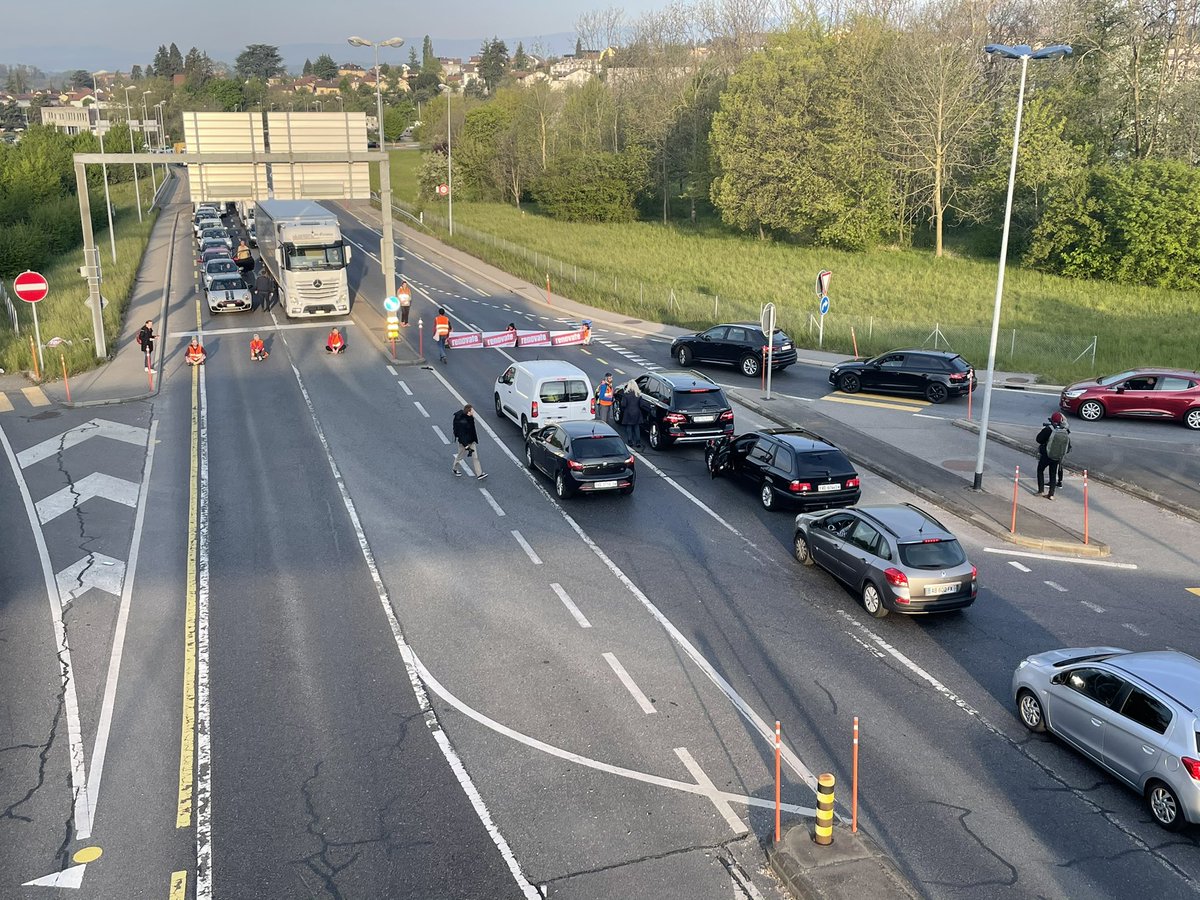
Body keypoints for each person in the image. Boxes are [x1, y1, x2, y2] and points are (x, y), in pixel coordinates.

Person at [1036, 411, 1071, 499]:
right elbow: (1068, 445)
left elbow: (1039, 439)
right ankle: (1051, 494)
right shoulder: (1065, 430)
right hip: (1057, 456)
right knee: (1053, 473)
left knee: (1040, 470)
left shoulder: (1049, 429)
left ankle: (1040, 490)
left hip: (1046, 455)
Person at [451, 404, 488, 480]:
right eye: (472, 410)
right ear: (468, 412)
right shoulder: (462, 422)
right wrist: (466, 446)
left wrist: (474, 439)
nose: (473, 411)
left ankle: (479, 474)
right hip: (464, 443)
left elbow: (472, 431)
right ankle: (455, 468)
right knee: (460, 456)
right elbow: (461, 436)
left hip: (471, 441)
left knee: (475, 457)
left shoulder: (470, 418)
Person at [619, 378, 644, 449]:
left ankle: (630, 441)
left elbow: (623, 404)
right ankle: (638, 442)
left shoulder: (626, 394)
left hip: (628, 412)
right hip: (637, 412)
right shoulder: (638, 394)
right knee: (636, 427)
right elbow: (641, 404)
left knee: (629, 427)